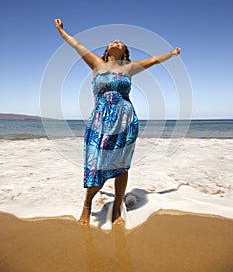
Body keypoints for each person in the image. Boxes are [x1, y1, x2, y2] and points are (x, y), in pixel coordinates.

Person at [54, 19, 180, 225]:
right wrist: (61, 30)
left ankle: (117, 210)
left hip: (125, 119)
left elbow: (154, 60)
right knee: (96, 164)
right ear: (107, 50)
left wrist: (172, 54)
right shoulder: (96, 63)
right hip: (100, 120)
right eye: (113, 41)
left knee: (122, 165)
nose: (116, 42)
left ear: (125, 52)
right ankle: (87, 206)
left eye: (120, 42)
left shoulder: (129, 67)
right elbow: (76, 45)